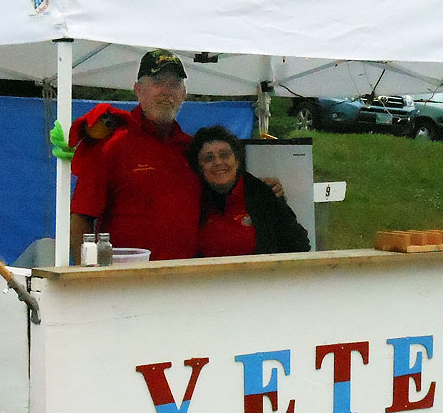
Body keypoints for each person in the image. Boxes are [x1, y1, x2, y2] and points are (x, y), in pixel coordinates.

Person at [69, 49, 284, 263]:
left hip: (185, 282)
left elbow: (226, 195)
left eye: (174, 84)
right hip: (126, 283)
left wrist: (263, 191)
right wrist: (85, 278)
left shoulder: (191, 150)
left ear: (183, 94)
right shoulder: (111, 145)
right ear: (138, 90)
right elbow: (81, 217)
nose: (166, 91)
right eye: (158, 82)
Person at [187, 126, 311, 257]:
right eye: (209, 158)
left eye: (224, 155)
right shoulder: (193, 200)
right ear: (199, 167)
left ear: (237, 160)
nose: (218, 162)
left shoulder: (263, 194)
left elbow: (300, 244)